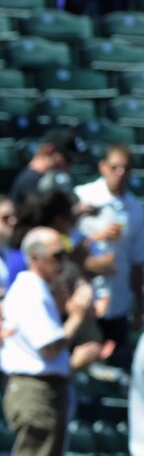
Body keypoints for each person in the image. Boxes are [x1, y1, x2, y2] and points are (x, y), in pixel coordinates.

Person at [0, 228, 95, 456]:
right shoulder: (30, 289)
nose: (64, 262)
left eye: (65, 255)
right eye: (57, 255)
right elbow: (49, 347)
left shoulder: (38, 289)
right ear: (35, 256)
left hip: (43, 391)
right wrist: (77, 314)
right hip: (36, 393)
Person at [74, 143, 142, 352]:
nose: (120, 174)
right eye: (114, 167)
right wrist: (98, 237)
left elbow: (137, 260)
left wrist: (140, 303)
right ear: (103, 167)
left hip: (117, 301)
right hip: (84, 298)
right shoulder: (83, 197)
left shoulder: (136, 208)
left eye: (126, 168)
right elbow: (66, 245)